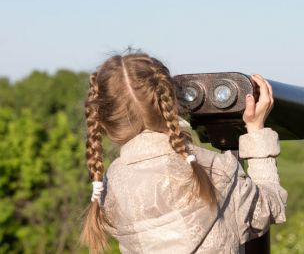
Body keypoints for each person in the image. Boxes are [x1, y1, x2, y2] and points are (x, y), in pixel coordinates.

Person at [79, 51, 288, 253]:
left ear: (104, 120)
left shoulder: (110, 188)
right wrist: (256, 132)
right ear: (172, 102)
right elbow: (268, 208)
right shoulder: (214, 171)